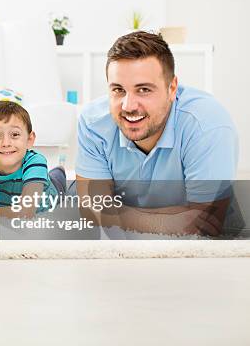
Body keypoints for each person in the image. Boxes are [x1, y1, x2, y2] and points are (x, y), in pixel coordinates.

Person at [76, 31, 238, 236]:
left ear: (172, 88)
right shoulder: (93, 123)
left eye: (143, 89)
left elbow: (206, 223)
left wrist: (118, 214)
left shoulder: (207, 125)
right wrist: (171, 221)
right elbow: (92, 210)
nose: (128, 106)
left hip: (200, 254)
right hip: (123, 255)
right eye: (118, 89)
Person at [0, 101, 65, 217]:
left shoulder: (35, 162)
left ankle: (59, 170)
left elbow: (25, 212)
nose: (6, 143)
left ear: (29, 140)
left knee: (58, 177)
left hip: (54, 189)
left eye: (15, 135)